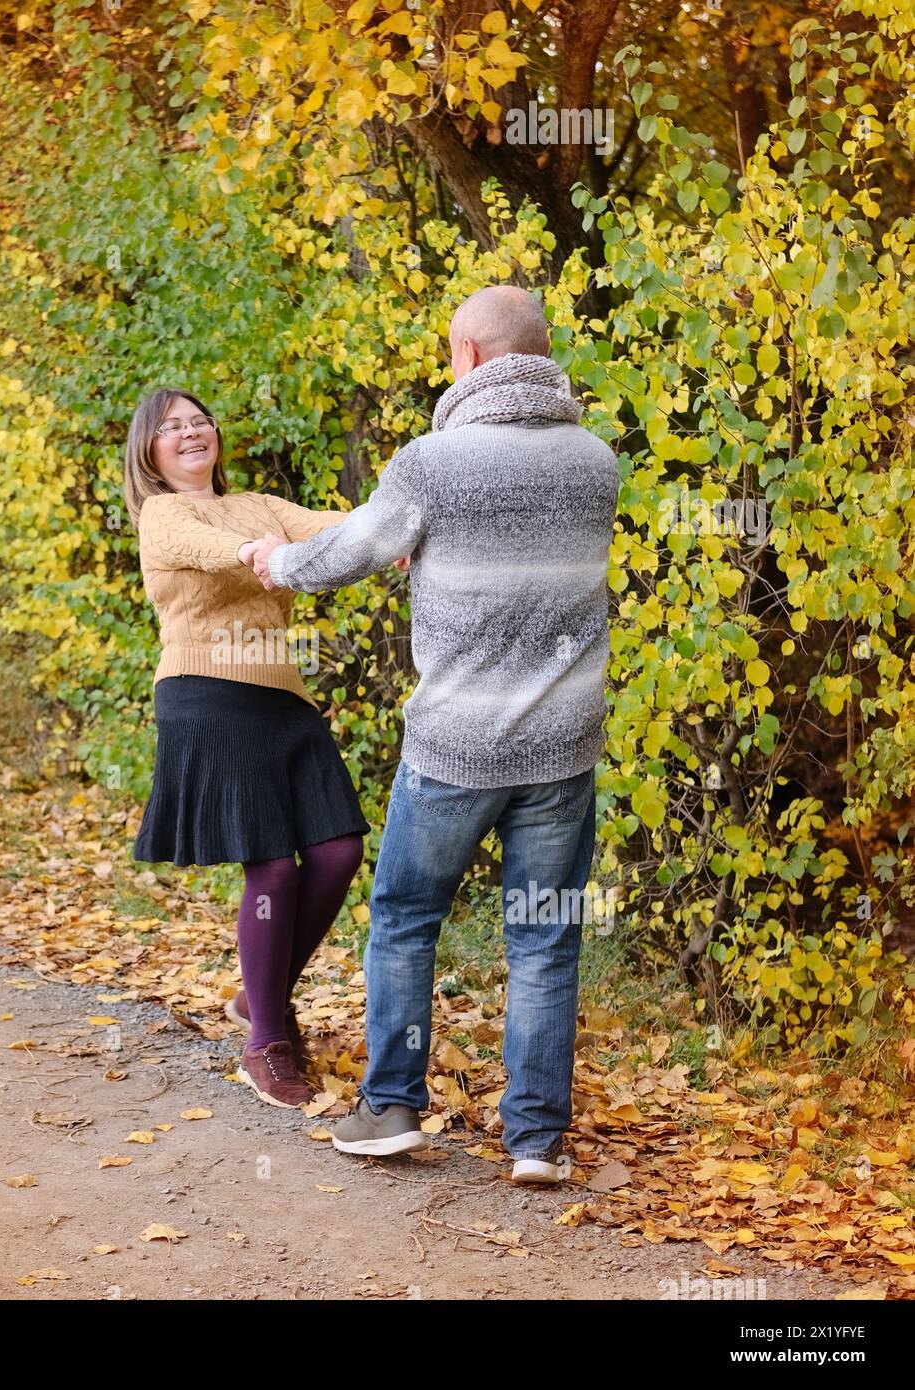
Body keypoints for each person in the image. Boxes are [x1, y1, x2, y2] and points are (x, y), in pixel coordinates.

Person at [245, 286, 620, 1183]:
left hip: (455, 749)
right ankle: (536, 1140)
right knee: (543, 937)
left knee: (408, 919)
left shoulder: (434, 463)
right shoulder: (595, 461)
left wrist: (275, 562)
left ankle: (392, 1108)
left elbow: (349, 554)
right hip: (562, 750)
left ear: (471, 357)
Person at [125, 386, 373, 1110]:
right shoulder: (165, 512)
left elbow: (339, 525)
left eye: (200, 420)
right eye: (172, 427)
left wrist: (398, 534)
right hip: (207, 694)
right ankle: (266, 1040)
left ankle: (260, 997)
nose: (192, 432)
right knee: (272, 866)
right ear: (149, 449)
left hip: (282, 697)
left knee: (337, 851)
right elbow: (205, 549)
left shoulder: (262, 504)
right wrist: (252, 553)